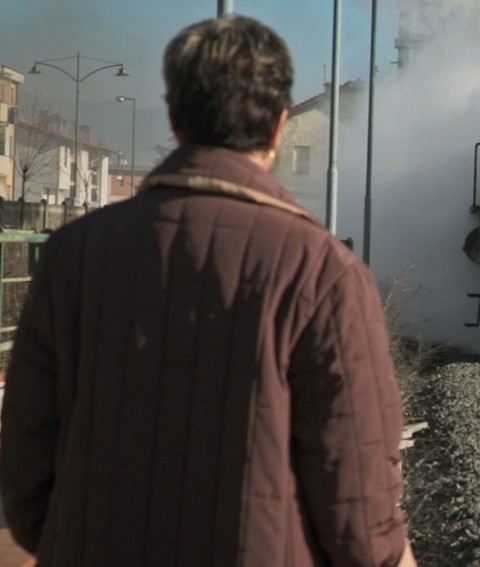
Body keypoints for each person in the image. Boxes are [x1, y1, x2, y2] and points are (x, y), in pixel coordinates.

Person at [0, 16, 416, 567]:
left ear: (175, 119)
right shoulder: (325, 272)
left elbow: (25, 468)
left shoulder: (71, 254)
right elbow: (360, 509)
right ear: (279, 128)